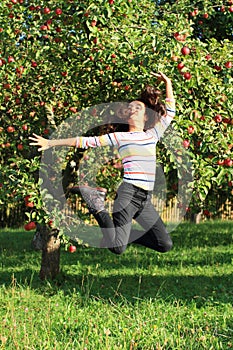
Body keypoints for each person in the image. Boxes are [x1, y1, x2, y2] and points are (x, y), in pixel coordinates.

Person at [29, 71, 175, 255]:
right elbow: (84, 142)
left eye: (137, 107)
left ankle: (122, 232)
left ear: (146, 116)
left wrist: (167, 82)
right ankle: (96, 203)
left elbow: (170, 112)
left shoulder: (152, 135)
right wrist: (50, 143)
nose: (132, 109)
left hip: (144, 199)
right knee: (117, 247)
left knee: (164, 244)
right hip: (128, 194)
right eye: (130, 108)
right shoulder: (120, 137)